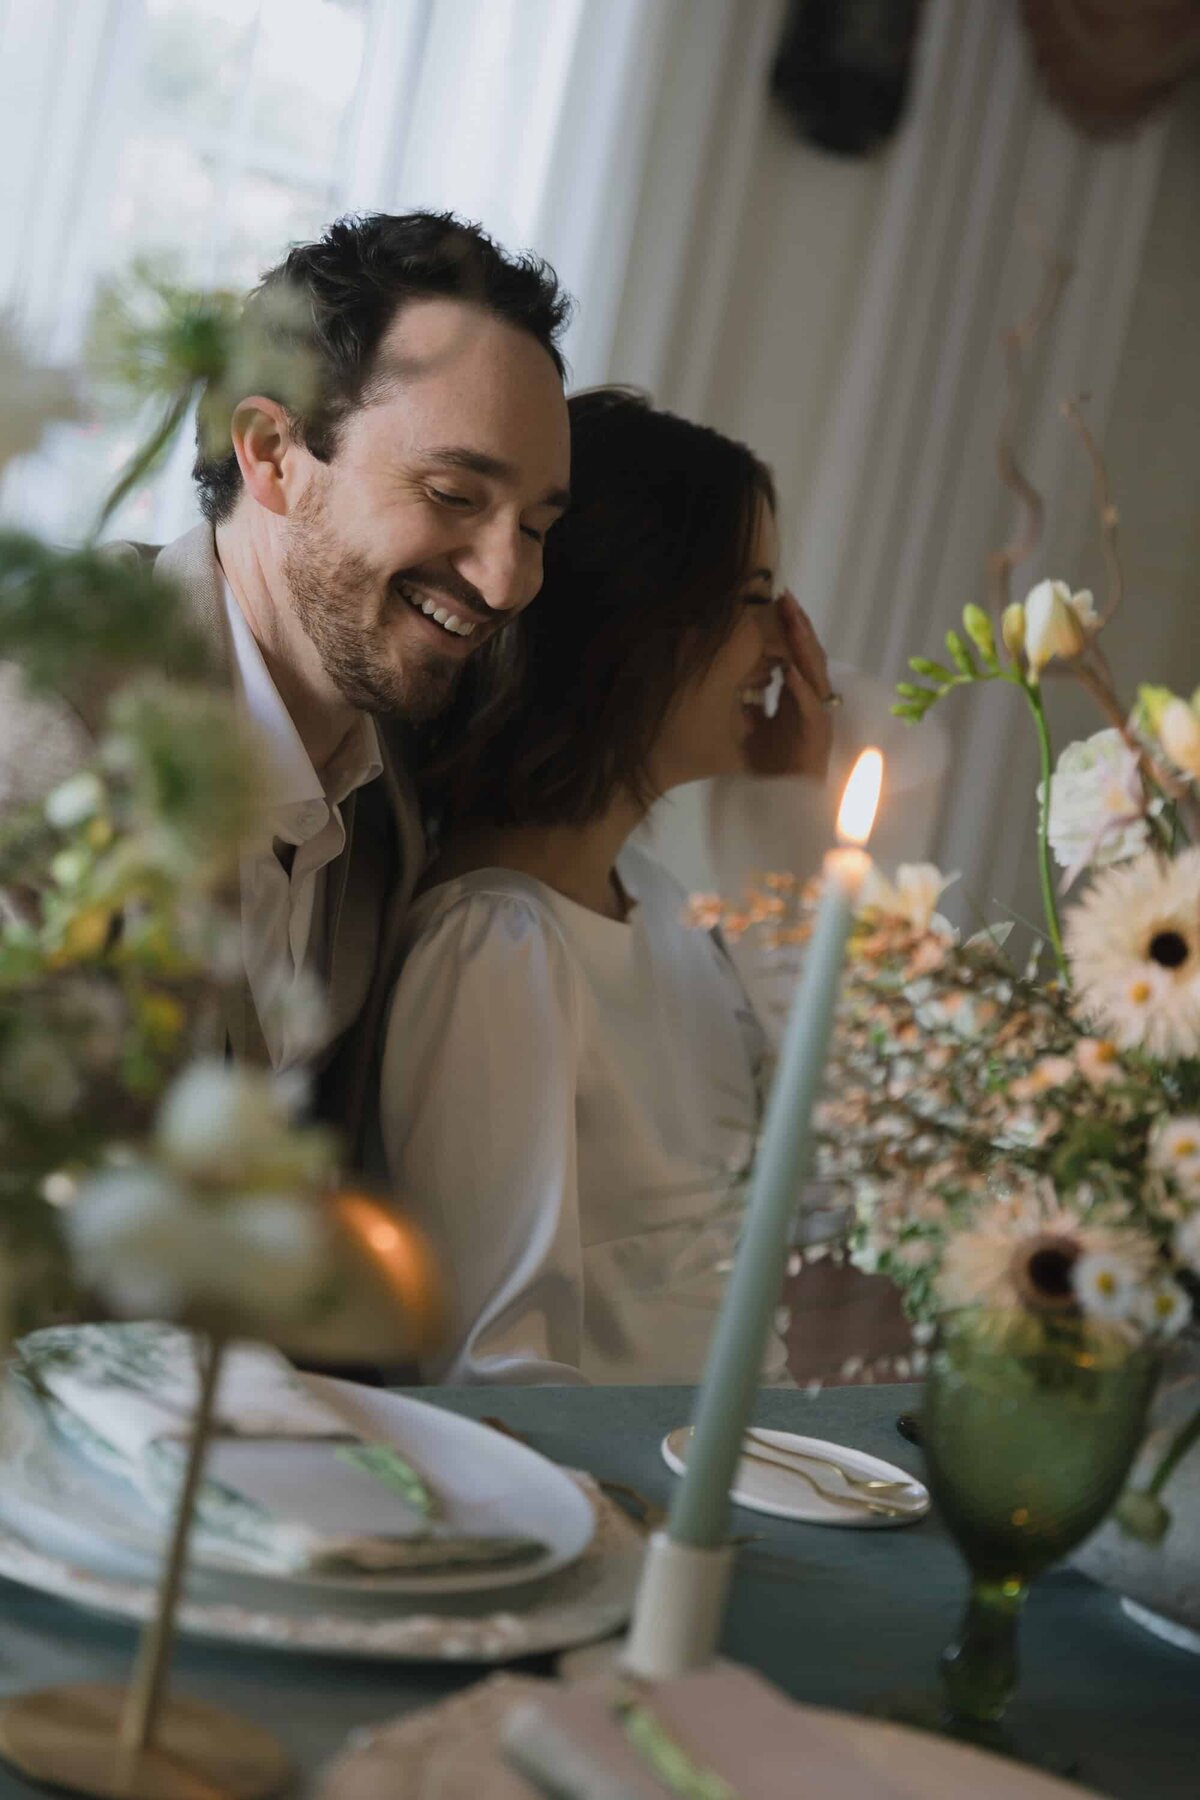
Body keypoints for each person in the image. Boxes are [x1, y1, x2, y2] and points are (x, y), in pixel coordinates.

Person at [3, 213, 572, 1159]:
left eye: (538, 527)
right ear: (270, 452)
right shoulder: (45, 725)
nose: (509, 580)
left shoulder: (388, 796)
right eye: (453, 496)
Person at [378, 388, 837, 1384]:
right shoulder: (496, 947)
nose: (779, 650)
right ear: (646, 622)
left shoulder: (666, 909)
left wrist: (789, 809)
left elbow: (824, 1171)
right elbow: (494, 1368)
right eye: (755, 601)